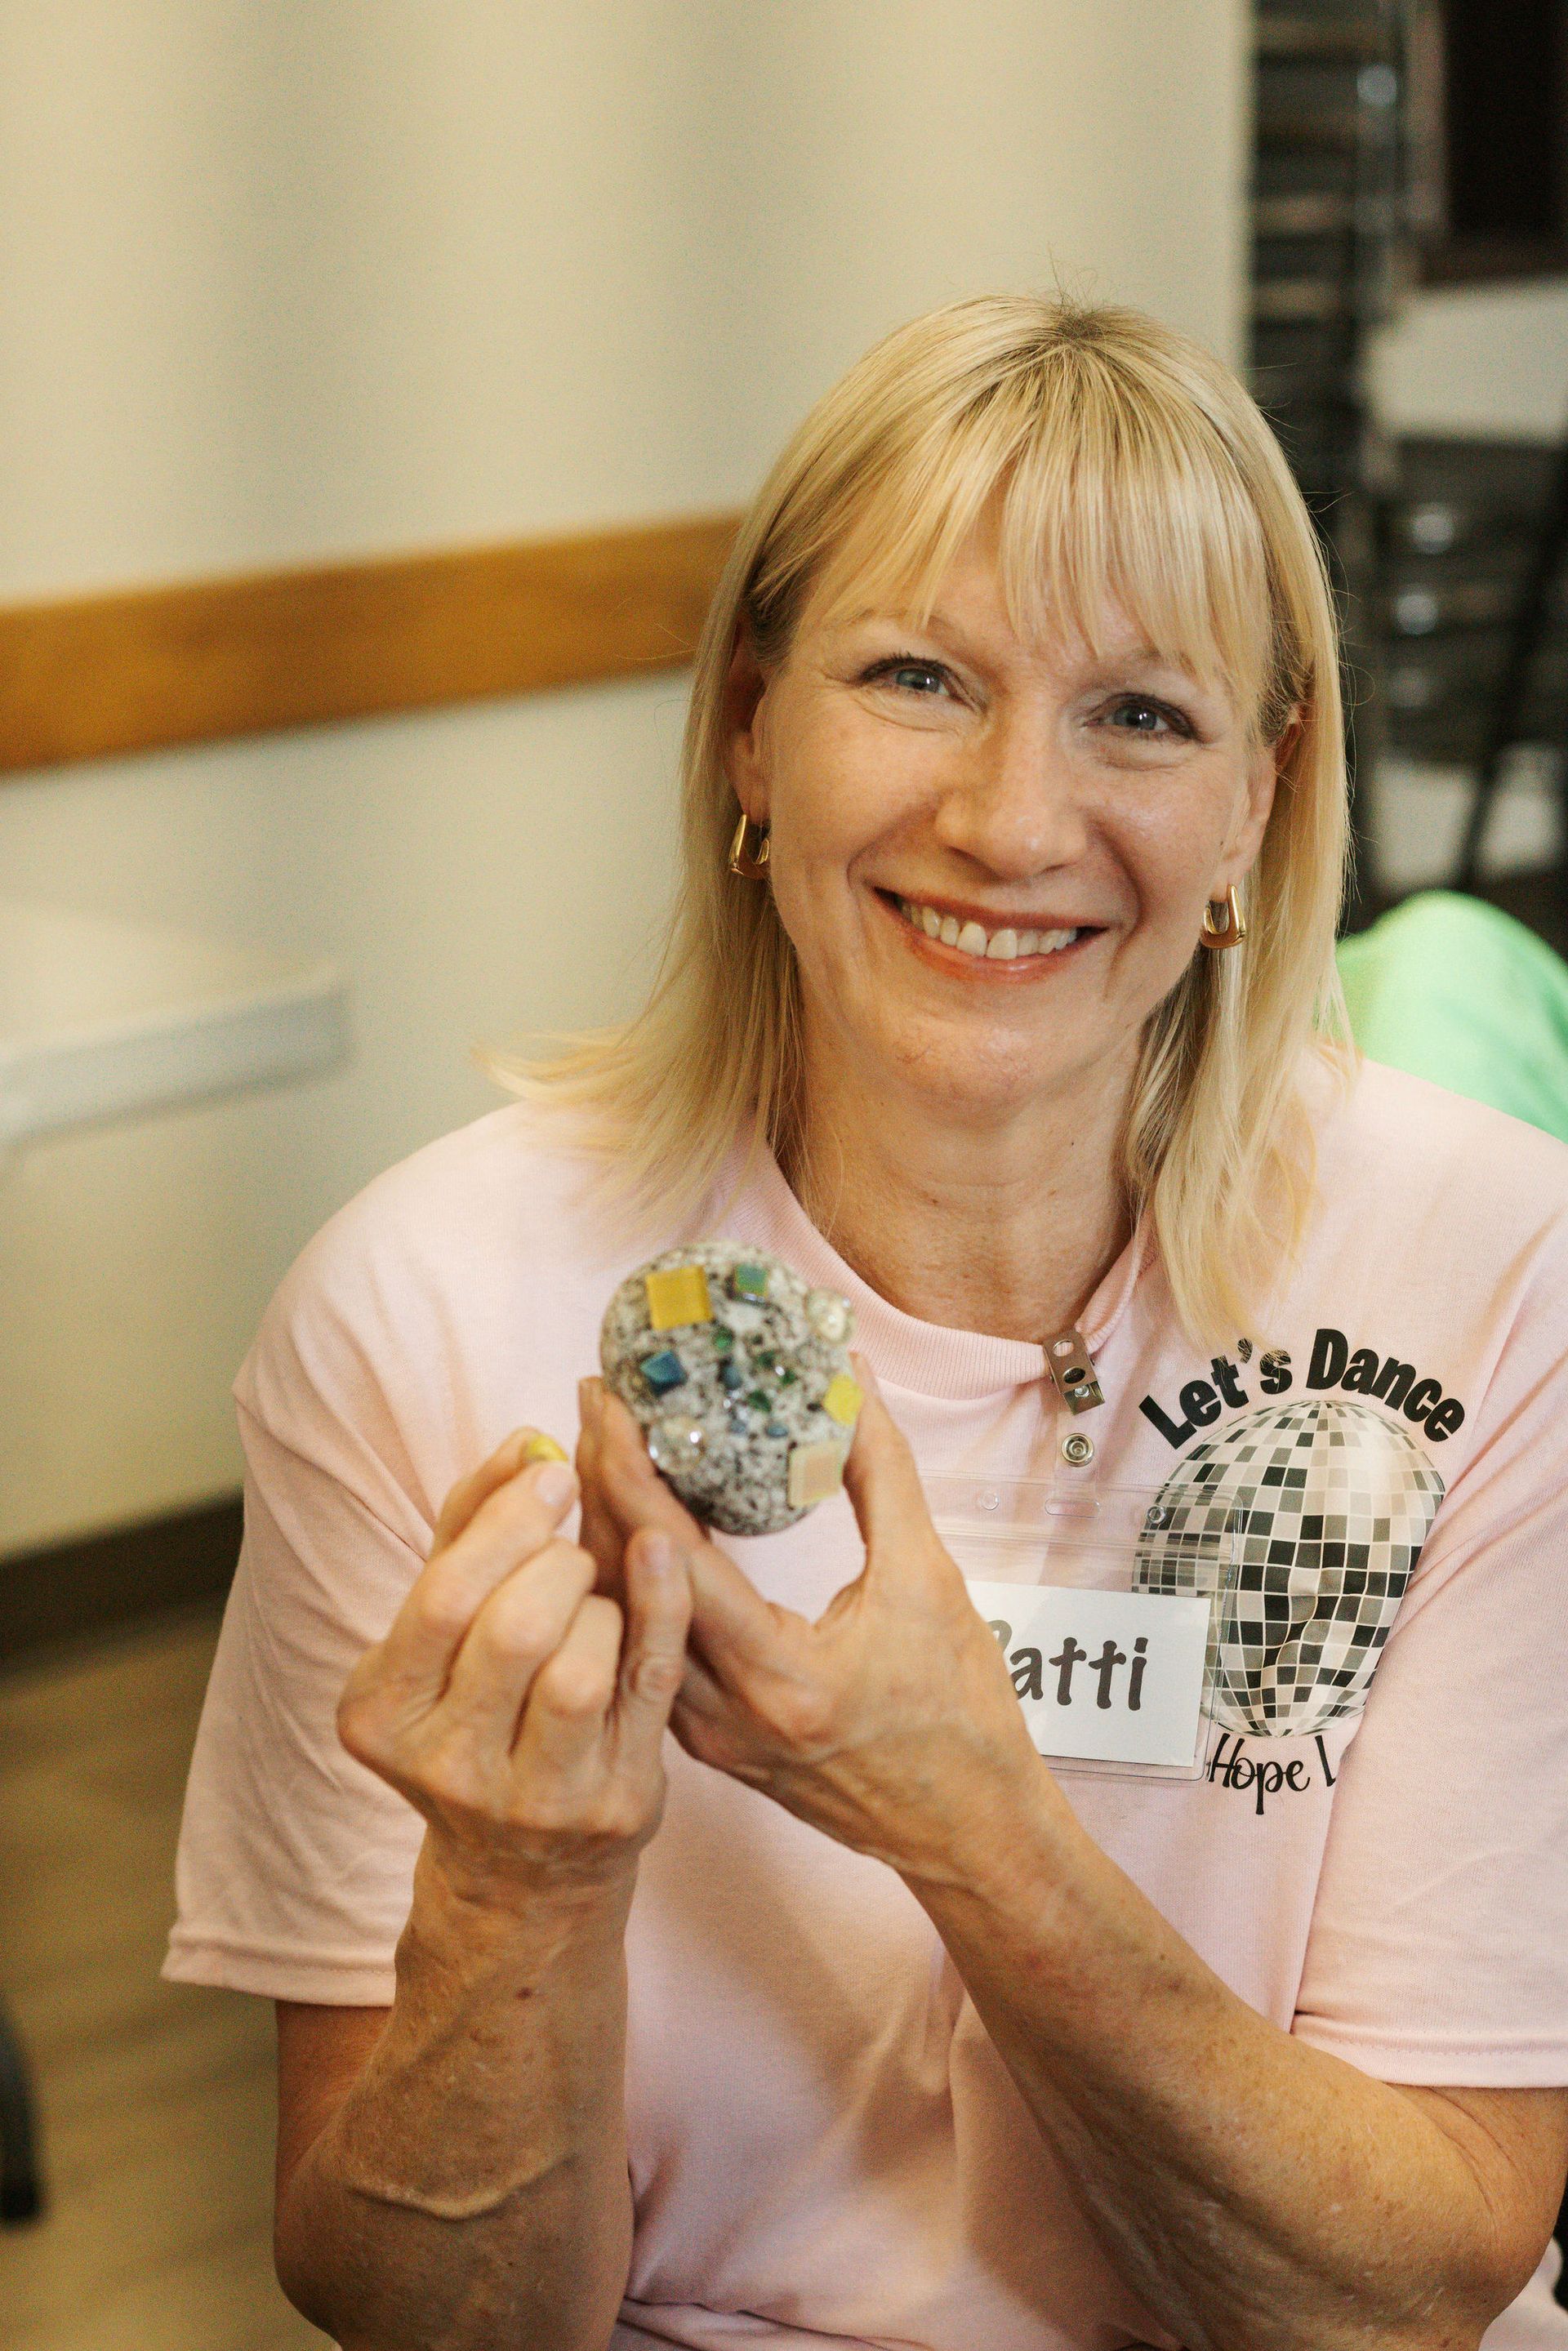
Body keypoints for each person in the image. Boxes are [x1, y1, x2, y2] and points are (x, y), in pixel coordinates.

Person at [165, 295, 1568, 2351]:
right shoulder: (430, 1308)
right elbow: (433, 2321)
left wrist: (974, 1824)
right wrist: (514, 1895)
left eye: (1144, 718)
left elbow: (1407, 2290)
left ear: (1261, 805)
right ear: (751, 725)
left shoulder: (1489, 1271)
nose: (1011, 820)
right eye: (919, 677)